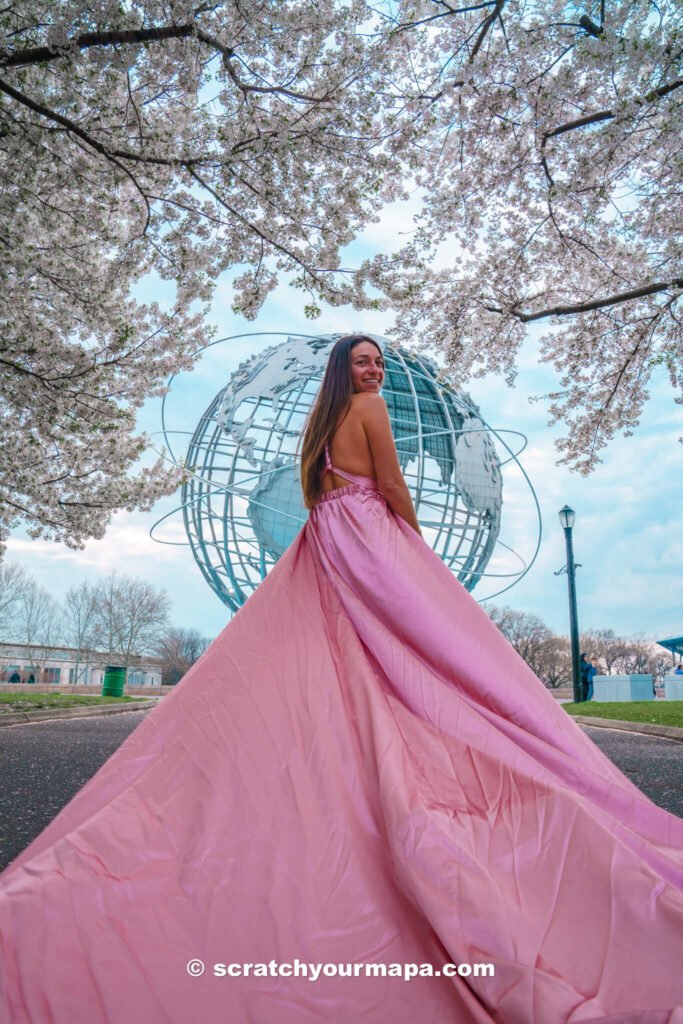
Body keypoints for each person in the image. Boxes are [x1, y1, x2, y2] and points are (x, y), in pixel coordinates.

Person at [0, 334, 682, 1024]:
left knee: (352, 662)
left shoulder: (320, 428)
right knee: (433, 651)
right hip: (369, 534)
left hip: (330, 536)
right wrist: (414, 545)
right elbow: (390, 482)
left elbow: (323, 491)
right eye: (363, 362)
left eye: (378, 363)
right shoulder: (370, 408)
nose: (375, 371)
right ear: (342, 371)